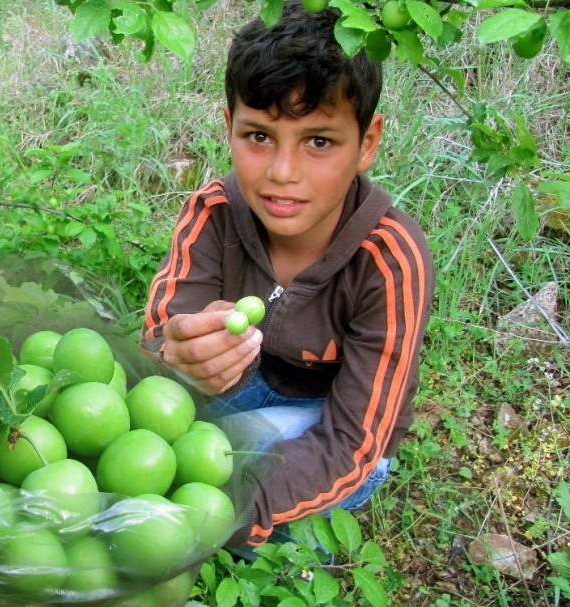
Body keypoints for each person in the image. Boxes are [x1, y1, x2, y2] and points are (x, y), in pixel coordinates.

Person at [140, 0, 435, 552]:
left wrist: (234, 506)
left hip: (330, 424)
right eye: (259, 136)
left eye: (319, 141)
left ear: (367, 143)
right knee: (150, 418)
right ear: (229, 127)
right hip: (243, 384)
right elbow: (161, 335)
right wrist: (176, 351)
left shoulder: (390, 258)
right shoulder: (215, 212)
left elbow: (356, 442)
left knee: (229, 463)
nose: (282, 173)